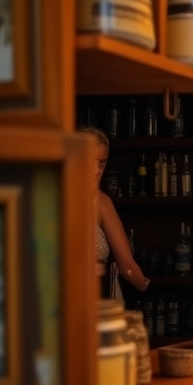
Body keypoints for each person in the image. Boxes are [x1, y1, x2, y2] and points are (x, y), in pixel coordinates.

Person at [83, 127, 150, 299]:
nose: (98, 170)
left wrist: (143, 283)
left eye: (102, 162)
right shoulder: (53, 197)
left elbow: (126, 263)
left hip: (97, 299)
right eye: (91, 160)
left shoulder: (102, 202)